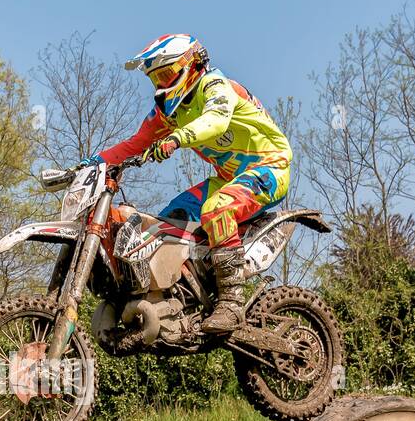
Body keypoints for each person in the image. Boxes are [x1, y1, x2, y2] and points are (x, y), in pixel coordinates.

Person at [82, 34, 291, 333]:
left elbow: (216, 120)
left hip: (269, 167)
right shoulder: (171, 111)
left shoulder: (216, 86)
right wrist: (91, 165)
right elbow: (136, 143)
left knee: (217, 208)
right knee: (167, 222)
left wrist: (176, 139)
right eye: (157, 79)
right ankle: (186, 295)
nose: (162, 85)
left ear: (191, 66)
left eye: (167, 75)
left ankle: (231, 303)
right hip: (227, 177)